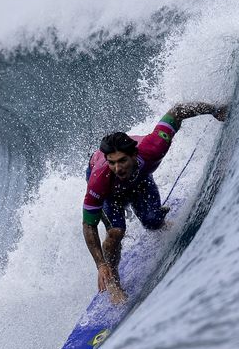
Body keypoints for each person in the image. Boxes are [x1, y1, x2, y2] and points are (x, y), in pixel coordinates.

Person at [82, 101, 229, 304]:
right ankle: (115, 283)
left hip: (140, 180)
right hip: (111, 194)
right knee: (115, 231)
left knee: (152, 223)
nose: (117, 168)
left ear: (134, 154)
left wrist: (215, 110)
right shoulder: (99, 179)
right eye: (112, 162)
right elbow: (89, 225)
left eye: (122, 160)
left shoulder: (152, 147)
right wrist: (100, 265)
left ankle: (156, 216)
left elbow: (177, 111)